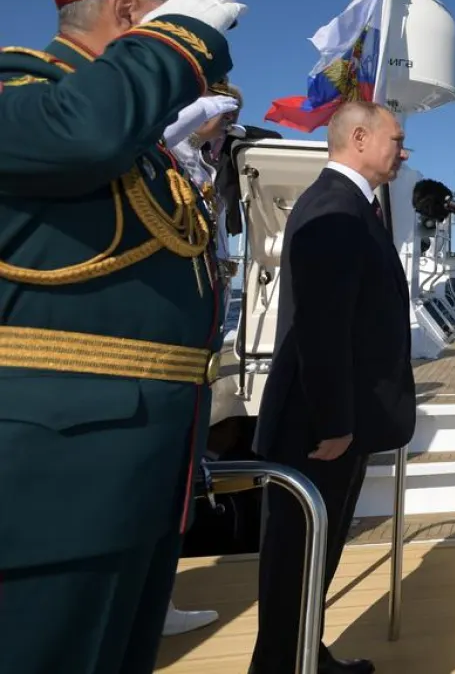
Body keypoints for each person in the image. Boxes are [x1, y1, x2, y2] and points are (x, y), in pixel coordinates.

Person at [0, 0, 245, 674]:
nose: (210, 51)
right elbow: (82, 134)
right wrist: (178, 48)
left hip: (140, 488)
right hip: (51, 497)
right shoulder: (22, 93)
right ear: (136, 19)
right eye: (192, 19)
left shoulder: (133, 146)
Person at [249, 100, 416, 674]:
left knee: (313, 561)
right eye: (397, 139)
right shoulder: (335, 209)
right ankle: (283, 665)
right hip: (318, 430)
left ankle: (306, 657)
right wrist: (335, 422)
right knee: (296, 564)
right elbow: (321, 325)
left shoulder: (347, 206)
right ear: (361, 138)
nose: (403, 150)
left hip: (328, 425)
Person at [158, 82, 242, 638]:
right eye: (225, 109)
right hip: (160, 348)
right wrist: (204, 109)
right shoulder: (161, 152)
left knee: (176, 477)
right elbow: (152, 136)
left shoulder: (207, 168)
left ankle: (157, 599)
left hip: (195, 347)